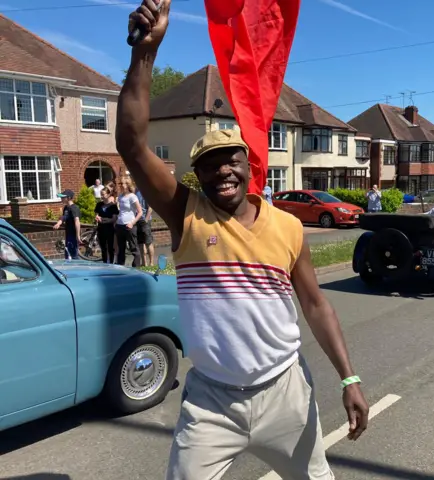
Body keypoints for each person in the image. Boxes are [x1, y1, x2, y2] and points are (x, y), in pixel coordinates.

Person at [117, 2, 369, 479]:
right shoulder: (186, 213)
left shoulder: (288, 227)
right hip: (212, 404)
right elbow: (131, 144)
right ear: (197, 175)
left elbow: (316, 306)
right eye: (209, 164)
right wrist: (145, 54)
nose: (222, 171)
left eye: (230, 159)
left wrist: (349, 378)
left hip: (286, 393)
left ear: (250, 165)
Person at [115, 175, 143, 267]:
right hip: (120, 225)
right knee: (121, 248)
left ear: (127, 185)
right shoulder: (120, 196)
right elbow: (120, 211)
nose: (122, 185)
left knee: (133, 248)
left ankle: (136, 268)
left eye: (123, 183)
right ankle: (120, 267)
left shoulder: (132, 197)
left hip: (129, 225)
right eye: (121, 184)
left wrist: (132, 223)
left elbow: (140, 212)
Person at [53, 190, 81, 259]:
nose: (61, 199)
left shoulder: (74, 208)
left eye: (63, 197)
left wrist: (77, 235)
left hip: (73, 234)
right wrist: (58, 223)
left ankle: (76, 267)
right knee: (67, 252)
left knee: (73, 254)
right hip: (68, 233)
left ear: (68, 198)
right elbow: (63, 217)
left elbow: (77, 221)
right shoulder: (66, 208)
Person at [94, 186, 118, 264]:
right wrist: (97, 218)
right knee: (103, 247)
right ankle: (104, 262)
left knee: (110, 247)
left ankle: (111, 263)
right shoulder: (99, 205)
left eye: (103, 194)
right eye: (101, 194)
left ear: (108, 195)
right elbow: (97, 215)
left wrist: (103, 220)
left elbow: (114, 219)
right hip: (101, 229)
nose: (102, 196)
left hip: (110, 229)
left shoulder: (113, 206)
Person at [136, 187, 155, 266]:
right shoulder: (136, 191)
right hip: (137, 219)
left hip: (145, 220)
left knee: (148, 242)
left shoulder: (146, 190)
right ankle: (144, 263)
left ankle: (151, 263)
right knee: (140, 242)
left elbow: (151, 207)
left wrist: (146, 219)